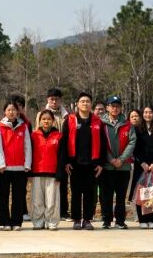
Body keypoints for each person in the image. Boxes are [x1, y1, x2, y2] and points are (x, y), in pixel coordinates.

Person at [60, 92, 107, 229]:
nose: (85, 103)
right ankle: (76, 219)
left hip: (92, 164)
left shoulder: (98, 122)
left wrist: (101, 163)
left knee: (89, 193)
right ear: (77, 104)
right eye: (82, 101)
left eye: (87, 101)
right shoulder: (70, 120)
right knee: (75, 192)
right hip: (74, 163)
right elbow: (64, 143)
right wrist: (66, 162)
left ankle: (87, 219)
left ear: (91, 104)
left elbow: (104, 144)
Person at [99, 96, 137, 228]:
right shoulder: (101, 124)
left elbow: (132, 142)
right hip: (107, 166)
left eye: (117, 106)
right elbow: (100, 143)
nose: (115, 108)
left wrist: (121, 159)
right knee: (106, 195)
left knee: (121, 196)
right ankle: (106, 220)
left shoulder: (127, 124)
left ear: (121, 108)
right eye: (112, 106)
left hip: (123, 166)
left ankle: (120, 221)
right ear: (107, 107)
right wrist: (110, 159)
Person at [0, 101, 31, 229]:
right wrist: (1, 164)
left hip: (20, 167)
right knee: (3, 196)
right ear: (5, 112)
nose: (11, 112)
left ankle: (16, 222)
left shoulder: (23, 126)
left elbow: (27, 146)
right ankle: (5, 221)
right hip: (4, 168)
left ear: (17, 112)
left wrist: (27, 164)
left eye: (14, 110)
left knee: (18, 196)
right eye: (9, 110)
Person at [29, 109, 64, 230]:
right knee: (37, 200)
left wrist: (59, 174)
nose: (46, 121)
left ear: (53, 121)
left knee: (51, 200)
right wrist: (29, 172)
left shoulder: (59, 136)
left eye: (49, 119)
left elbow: (61, 157)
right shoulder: (33, 136)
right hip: (36, 172)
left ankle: (51, 222)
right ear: (39, 121)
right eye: (43, 119)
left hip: (52, 173)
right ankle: (38, 222)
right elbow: (29, 154)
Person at [43, 88, 70, 216]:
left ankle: (63, 211)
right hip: (48, 152)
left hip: (63, 152)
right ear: (48, 100)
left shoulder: (67, 116)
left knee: (63, 182)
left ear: (60, 100)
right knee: (48, 184)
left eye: (56, 99)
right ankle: (48, 210)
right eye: (51, 99)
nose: (54, 101)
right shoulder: (42, 115)